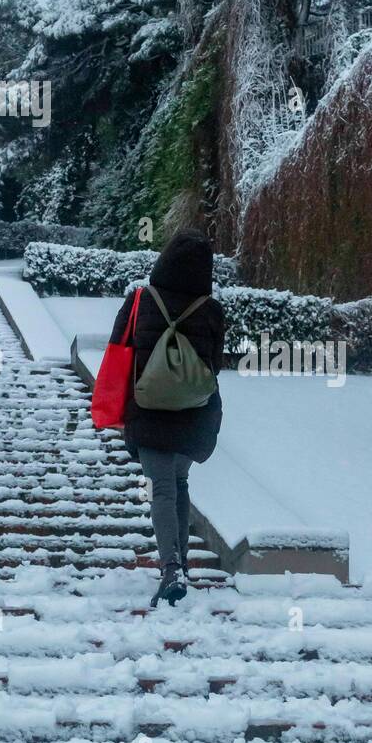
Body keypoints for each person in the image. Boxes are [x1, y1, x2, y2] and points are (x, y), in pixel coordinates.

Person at [108, 228, 225, 608]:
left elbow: (119, 348)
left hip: (149, 408)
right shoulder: (209, 309)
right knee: (179, 480)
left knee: (160, 485)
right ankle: (183, 564)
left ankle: (171, 567)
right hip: (193, 413)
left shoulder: (141, 300)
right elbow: (215, 363)